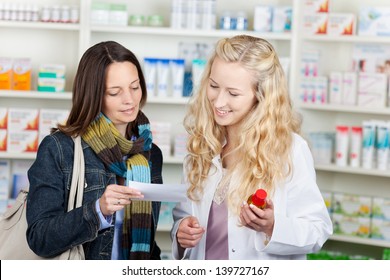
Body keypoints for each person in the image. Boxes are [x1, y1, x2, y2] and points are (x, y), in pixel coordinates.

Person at [171, 35, 333, 260]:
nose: (218, 102)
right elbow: (184, 215)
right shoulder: (202, 143)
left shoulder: (289, 149)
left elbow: (317, 230)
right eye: (214, 86)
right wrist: (181, 232)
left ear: (261, 96)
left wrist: (272, 226)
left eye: (233, 93)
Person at [26, 41, 163, 260]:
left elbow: (147, 238)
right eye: (115, 92)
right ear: (94, 95)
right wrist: (98, 210)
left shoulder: (149, 151)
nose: (129, 99)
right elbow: (39, 237)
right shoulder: (60, 148)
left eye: (135, 87)